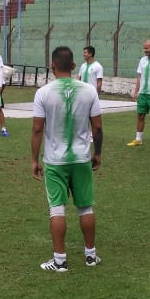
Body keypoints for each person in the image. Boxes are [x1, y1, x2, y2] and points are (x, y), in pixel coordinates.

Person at [31, 46, 103, 272]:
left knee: (57, 209)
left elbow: (37, 130)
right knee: (86, 208)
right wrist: (98, 153)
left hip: (55, 161)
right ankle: (90, 256)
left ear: (52, 66)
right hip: (81, 159)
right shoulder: (89, 91)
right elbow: (97, 127)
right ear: (73, 66)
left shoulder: (43, 93)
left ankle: (60, 261)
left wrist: (34, 160)